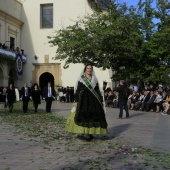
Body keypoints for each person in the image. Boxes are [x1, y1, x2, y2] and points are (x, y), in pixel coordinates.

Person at [65, 64, 108, 141]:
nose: (89, 70)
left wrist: (101, 100)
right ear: (85, 69)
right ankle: (86, 133)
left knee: (93, 115)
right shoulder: (81, 78)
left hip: (93, 99)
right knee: (84, 115)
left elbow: (97, 90)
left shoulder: (94, 79)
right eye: (87, 68)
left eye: (90, 68)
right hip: (83, 99)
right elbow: (78, 90)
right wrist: (76, 100)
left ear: (92, 70)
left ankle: (90, 132)